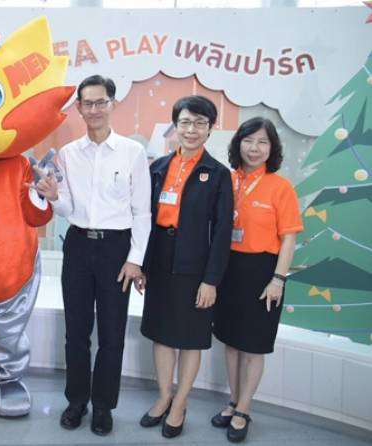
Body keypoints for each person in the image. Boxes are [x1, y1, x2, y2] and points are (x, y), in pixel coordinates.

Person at [36, 75, 151, 436]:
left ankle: (103, 407)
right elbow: (67, 208)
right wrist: (54, 197)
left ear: (112, 104)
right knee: (76, 332)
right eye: (88, 103)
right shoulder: (69, 154)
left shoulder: (132, 152)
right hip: (78, 245)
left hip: (117, 249)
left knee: (112, 334)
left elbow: (142, 212)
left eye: (102, 102)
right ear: (80, 108)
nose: (95, 109)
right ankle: (76, 402)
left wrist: (135, 259)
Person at [137, 95, 233, 438]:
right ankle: (164, 396)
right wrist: (142, 264)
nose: (191, 130)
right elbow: (143, 218)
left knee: (190, 339)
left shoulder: (218, 174)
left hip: (196, 265)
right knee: (161, 333)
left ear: (209, 129)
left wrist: (211, 280)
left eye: (199, 123)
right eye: (185, 122)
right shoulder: (158, 167)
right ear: (175, 126)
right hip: (160, 258)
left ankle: (180, 403)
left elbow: (222, 232)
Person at [211, 117, 303, 443]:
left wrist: (278, 279)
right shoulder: (227, 180)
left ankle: (244, 409)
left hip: (264, 273)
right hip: (228, 269)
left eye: (262, 142)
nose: (254, 148)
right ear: (238, 143)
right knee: (231, 342)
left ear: (272, 148)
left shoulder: (281, 187)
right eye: (248, 140)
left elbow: (289, 238)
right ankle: (233, 401)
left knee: (253, 347)